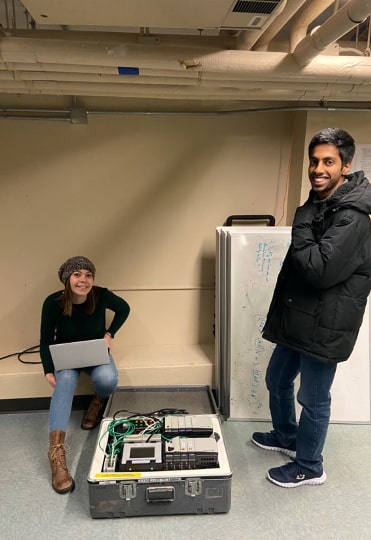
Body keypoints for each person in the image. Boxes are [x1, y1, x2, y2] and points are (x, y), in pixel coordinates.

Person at [252, 128, 371, 488]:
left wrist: (301, 218)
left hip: (326, 324)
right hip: (300, 316)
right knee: (277, 379)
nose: (318, 168)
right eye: (315, 161)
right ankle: (288, 435)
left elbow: (320, 269)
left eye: (328, 162)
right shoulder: (325, 204)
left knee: (313, 397)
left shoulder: (353, 216)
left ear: (346, 166)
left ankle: (309, 465)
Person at [40, 256, 130, 494]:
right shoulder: (53, 302)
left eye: (88, 275)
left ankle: (97, 401)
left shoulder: (100, 295)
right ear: (67, 279)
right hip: (66, 356)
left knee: (108, 379)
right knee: (65, 381)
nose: (83, 280)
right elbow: (46, 339)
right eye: (77, 274)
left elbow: (124, 309)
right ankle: (57, 453)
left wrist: (110, 333)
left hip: (94, 352)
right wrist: (48, 369)